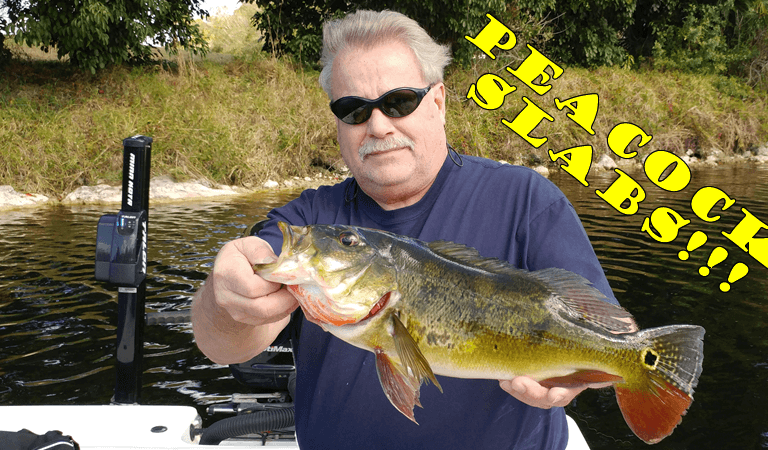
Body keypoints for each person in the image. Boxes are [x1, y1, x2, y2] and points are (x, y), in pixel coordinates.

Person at [192, 9, 622, 449]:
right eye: (353, 109)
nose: (378, 125)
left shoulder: (528, 200)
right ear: (337, 121)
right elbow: (225, 346)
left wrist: (578, 376)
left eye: (398, 102)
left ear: (438, 101)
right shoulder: (307, 223)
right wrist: (225, 298)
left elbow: (606, 333)